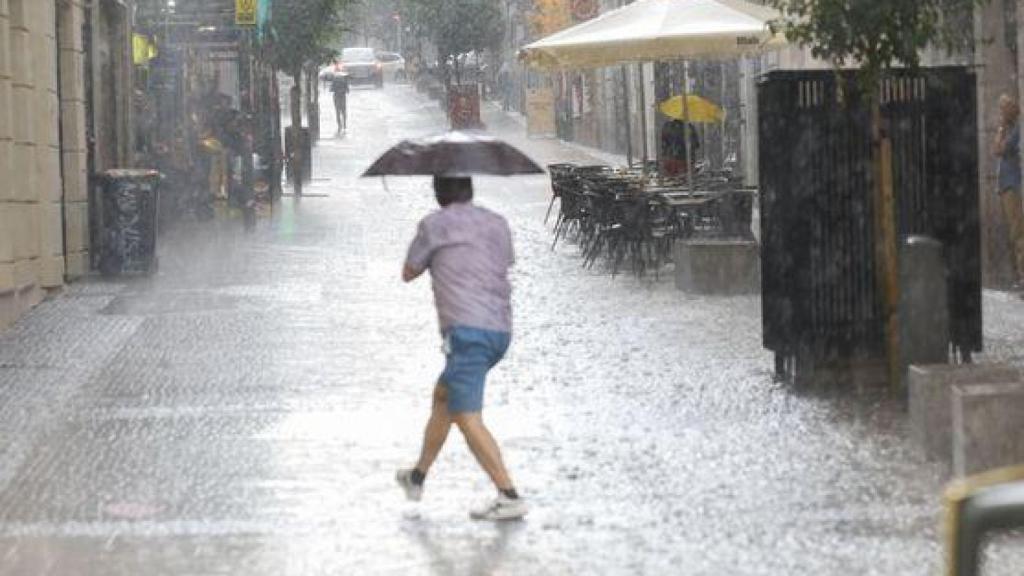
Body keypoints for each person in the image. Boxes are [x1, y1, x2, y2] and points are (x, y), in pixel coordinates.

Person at [396, 176, 528, 521]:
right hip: (500, 331)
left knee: (466, 415)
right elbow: (505, 261)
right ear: (470, 190)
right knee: (444, 396)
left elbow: (408, 272)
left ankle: (508, 494)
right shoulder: (497, 223)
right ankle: (417, 476)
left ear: (438, 193)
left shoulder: (434, 225)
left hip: (467, 334)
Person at [994, 94, 1024, 288]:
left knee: (1017, 231)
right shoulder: (1010, 129)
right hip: (1006, 184)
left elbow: (998, 149)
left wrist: (1001, 129)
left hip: (1013, 184)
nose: (1000, 113)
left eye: (1003, 109)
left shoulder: (1016, 129)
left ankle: (1022, 275)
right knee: (1014, 232)